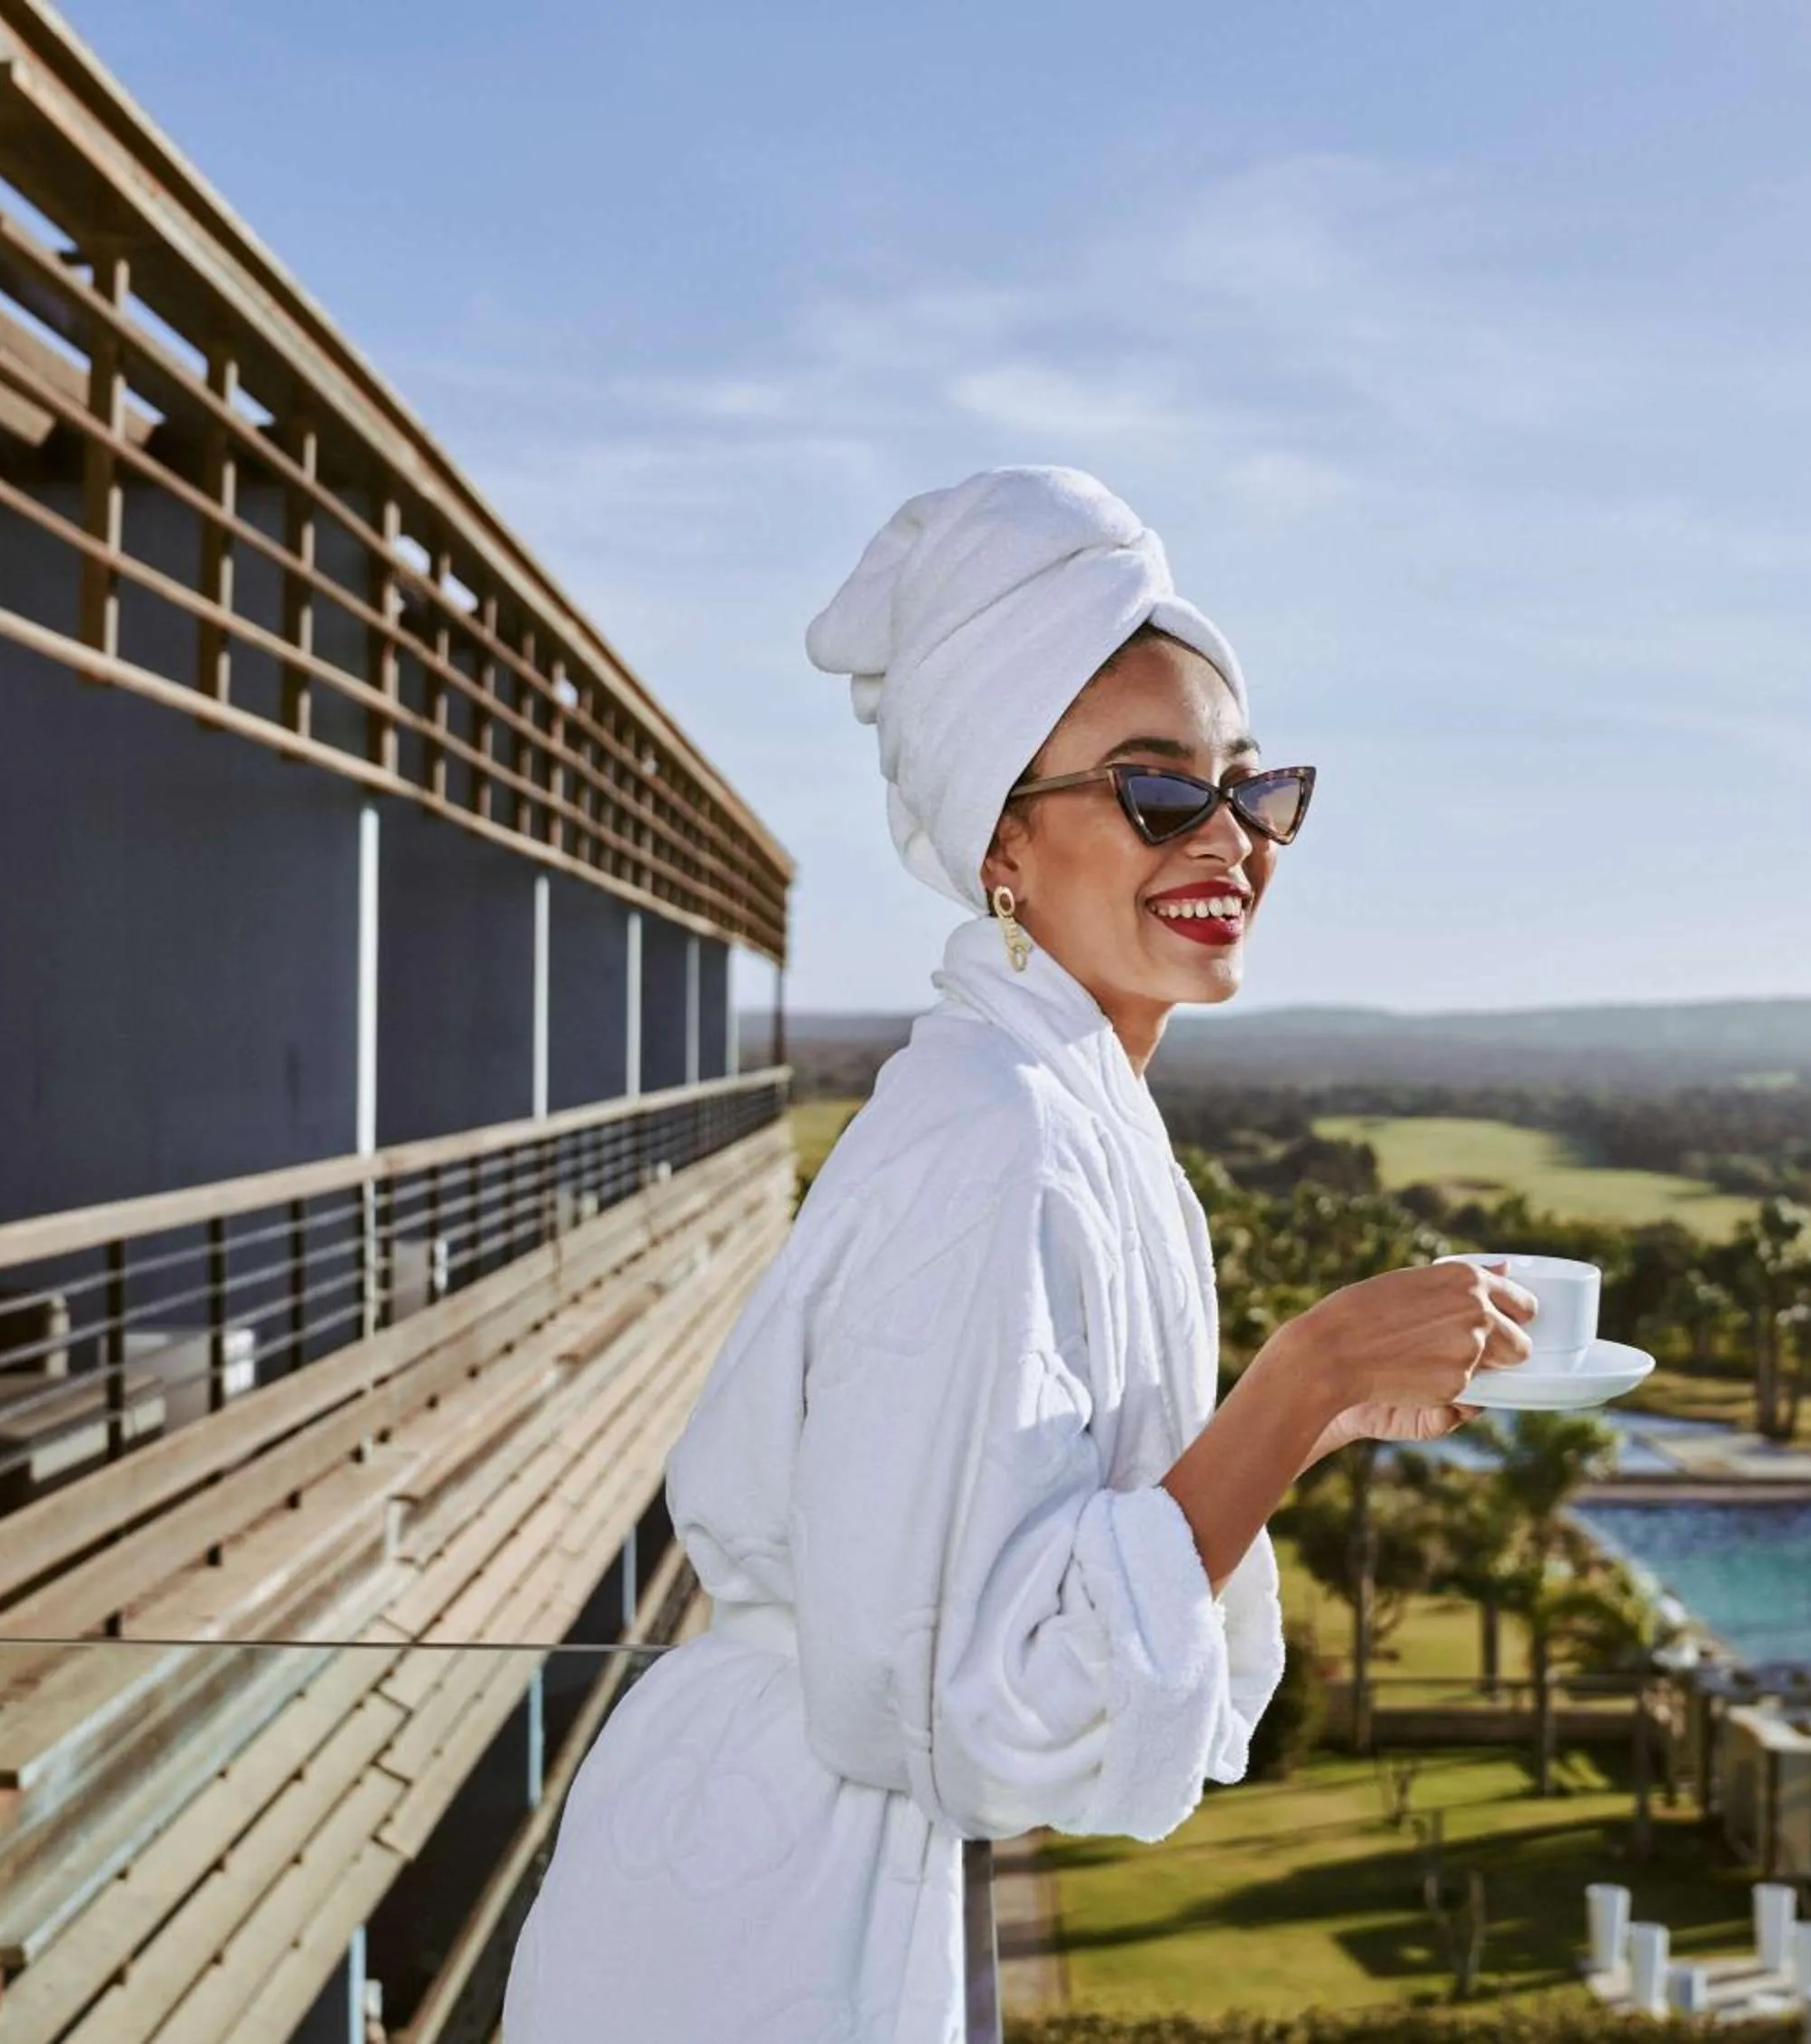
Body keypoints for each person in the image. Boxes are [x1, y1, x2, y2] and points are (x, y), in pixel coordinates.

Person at [502, 465, 1538, 2042]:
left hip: (822, 1866)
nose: (1231, 839)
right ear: (1004, 838)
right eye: (1157, 793)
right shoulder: (992, 1135)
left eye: (1252, 787)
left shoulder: (1067, 1112)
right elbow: (989, 1709)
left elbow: (1017, 1577)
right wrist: (1305, 1370)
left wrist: (1320, 1420)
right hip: (772, 1919)